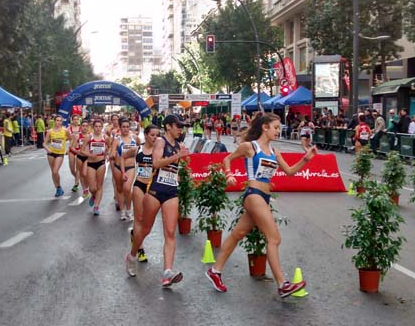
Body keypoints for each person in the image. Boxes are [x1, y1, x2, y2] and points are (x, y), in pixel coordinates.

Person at [206, 113, 317, 297]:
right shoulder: (249, 147)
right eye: (275, 128)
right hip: (254, 195)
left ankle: (215, 271)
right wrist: (229, 175)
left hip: (263, 197)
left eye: (278, 128)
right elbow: (227, 159)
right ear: (265, 127)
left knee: (238, 234)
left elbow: (289, 171)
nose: (278, 131)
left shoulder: (274, 152)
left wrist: (306, 158)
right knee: (274, 238)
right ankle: (282, 284)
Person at [125, 115, 190, 285]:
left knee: (170, 232)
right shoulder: (161, 142)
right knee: (145, 229)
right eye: (178, 126)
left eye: (181, 127)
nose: (180, 130)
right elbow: (156, 164)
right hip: (154, 190)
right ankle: (132, 255)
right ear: (168, 126)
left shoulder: (179, 145)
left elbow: (174, 169)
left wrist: (183, 165)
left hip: (171, 191)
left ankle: (167, 272)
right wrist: (177, 156)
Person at [122, 124, 159, 262]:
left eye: (157, 135)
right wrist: (124, 172)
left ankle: (134, 235)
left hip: (153, 187)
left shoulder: (159, 151)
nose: (155, 138)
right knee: (139, 218)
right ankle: (140, 249)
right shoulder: (138, 149)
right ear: (146, 135)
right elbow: (123, 156)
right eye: (152, 135)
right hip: (139, 185)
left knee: (147, 222)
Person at [80, 118, 111, 216]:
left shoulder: (105, 137)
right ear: (93, 128)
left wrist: (106, 153)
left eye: (100, 127)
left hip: (101, 163)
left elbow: (110, 147)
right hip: (91, 163)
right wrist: (89, 154)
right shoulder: (89, 137)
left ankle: (96, 206)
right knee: (92, 188)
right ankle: (93, 195)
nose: (98, 128)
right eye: (96, 126)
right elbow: (82, 150)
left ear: (102, 127)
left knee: (99, 186)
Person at [113, 117, 140, 221]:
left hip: (130, 166)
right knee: (119, 189)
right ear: (120, 128)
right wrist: (112, 154)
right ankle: (122, 211)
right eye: (123, 127)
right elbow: (112, 151)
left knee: (127, 188)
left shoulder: (134, 138)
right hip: (118, 166)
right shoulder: (117, 140)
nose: (125, 129)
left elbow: (139, 149)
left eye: (127, 127)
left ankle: (129, 210)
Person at [43, 115, 72, 197]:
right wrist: (47, 149)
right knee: (53, 172)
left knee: (55, 171)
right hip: (51, 153)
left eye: (60, 121)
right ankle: (58, 188)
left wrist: (69, 149)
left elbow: (71, 139)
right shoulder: (50, 131)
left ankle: (58, 187)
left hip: (60, 153)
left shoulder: (65, 130)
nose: (59, 122)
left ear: (62, 122)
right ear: (54, 121)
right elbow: (44, 143)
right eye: (57, 120)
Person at [67, 115, 83, 193]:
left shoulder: (82, 128)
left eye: (77, 119)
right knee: (72, 169)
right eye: (74, 119)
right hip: (71, 149)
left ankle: (76, 184)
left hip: (79, 149)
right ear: (72, 120)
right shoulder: (68, 129)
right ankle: (78, 178)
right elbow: (65, 138)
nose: (76, 121)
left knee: (78, 168)